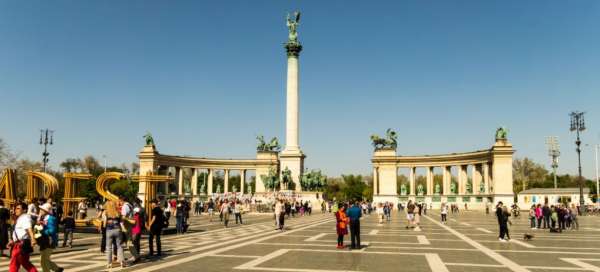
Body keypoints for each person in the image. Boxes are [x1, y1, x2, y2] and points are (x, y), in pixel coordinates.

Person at [9, 202, 38, 272]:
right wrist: (12, 241)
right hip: (19, 244)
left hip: (20, 245)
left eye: (18, 208)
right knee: (25, 263)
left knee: (14, 264)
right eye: (15, 208)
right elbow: (20, 232)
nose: (16, 210)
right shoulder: (20, 218)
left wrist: (33, 239)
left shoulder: (25, 217)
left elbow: (29, 228)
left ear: (24, 210)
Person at [37, 203, 63, 272]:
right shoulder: (43, 218)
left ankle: (55, 269)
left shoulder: (51, 219)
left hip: (49, 241)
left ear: (45, 211)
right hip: (44, 240)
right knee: (44, 260)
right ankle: (57, 269)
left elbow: (52, 230)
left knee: (44, 260)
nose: (40, 211)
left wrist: (42, 230)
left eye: (42, 210)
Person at [103, 200, 125, 268]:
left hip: (109, 230)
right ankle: (121, 262)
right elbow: (121, 222)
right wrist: (123, 229)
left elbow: (104, 222)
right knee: (119, 246)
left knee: (109, 248)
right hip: (118, 230)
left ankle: (109, 263)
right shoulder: (118, 212)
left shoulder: (105, 212)